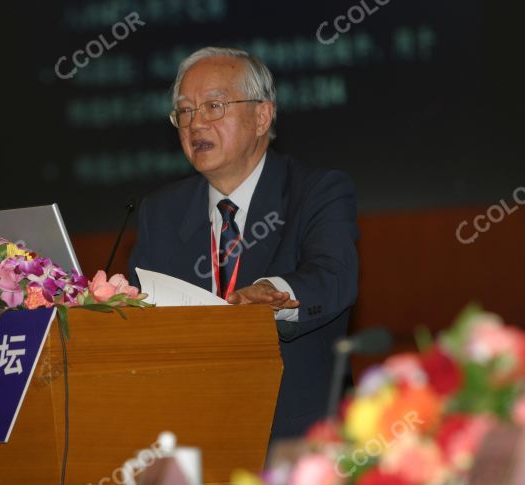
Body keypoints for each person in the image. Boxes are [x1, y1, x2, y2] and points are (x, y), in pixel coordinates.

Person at [128, 47, 359, 439]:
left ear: (262, 116)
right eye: (184, 111)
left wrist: (274, 293)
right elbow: (139, 321)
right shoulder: (160, 211)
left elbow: (333, 277)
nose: (195, 123)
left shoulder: (316, 191)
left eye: (213, 106)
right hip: (192, 430)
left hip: (296, 435)